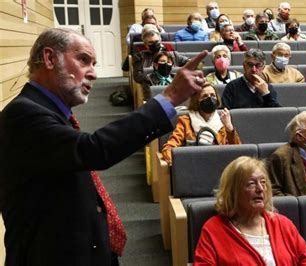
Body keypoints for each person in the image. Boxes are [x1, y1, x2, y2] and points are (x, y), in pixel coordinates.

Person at [0, 27, 208, 266]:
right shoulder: (24, 113)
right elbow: (93, 150)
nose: (93, 74)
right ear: (49, 58)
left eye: (94, 64)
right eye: (83, 60)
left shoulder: (51, 112)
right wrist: (170, 97)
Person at [194, 156, 306, 265]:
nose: (260, 189)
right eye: (251, 184)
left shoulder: (282, 224)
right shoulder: (214, 230)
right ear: (233, 192)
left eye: (263, 183)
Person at [161, 83, 241, 164]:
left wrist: (230, 128)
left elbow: (238, 153)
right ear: (197, 101)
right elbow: (169, 148)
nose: (210, 99)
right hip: (193, 166)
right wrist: (181, 166)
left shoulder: (223, 121)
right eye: (205, 96)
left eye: (213, 95)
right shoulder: (186, 121)